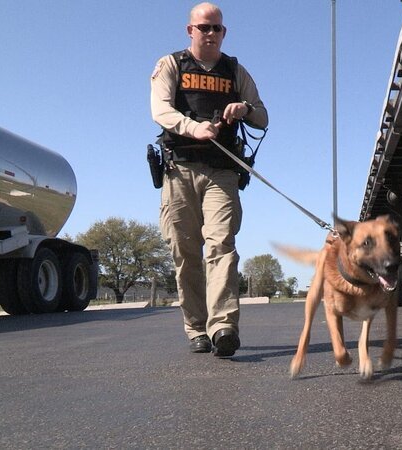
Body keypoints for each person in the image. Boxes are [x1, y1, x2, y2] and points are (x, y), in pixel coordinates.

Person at [150, 2, 268, 357]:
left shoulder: (235, 70)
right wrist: (193, 127)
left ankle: (223, 328)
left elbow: (262, 117)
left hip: (222, 171)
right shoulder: (171, 64)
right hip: (180, 168)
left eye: (217, 28)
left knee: (221, 244)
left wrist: (244, 109)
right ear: (190, 31)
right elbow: (160, 110)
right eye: (204, 28)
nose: (211, 34)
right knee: (185, 251)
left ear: (224, 32)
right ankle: (196, 328)